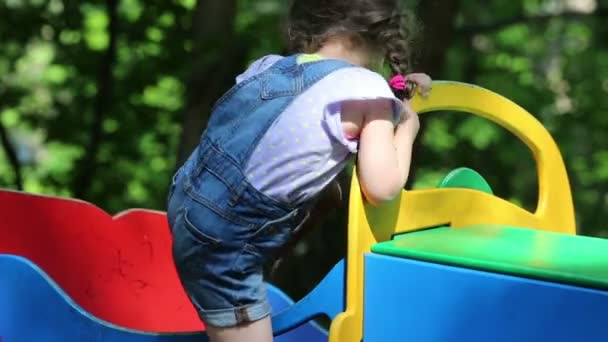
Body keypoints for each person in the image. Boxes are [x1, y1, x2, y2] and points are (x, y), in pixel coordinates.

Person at [166, 0, 432, 341]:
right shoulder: (370, 94)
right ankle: (255, 265)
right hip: (226, 244)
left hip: (187, 202)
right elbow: (381, 187)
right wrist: (407, 129)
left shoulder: (270, 67)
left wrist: (394, 90)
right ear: (383, 37)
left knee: (330, 193)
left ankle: (264, 259)